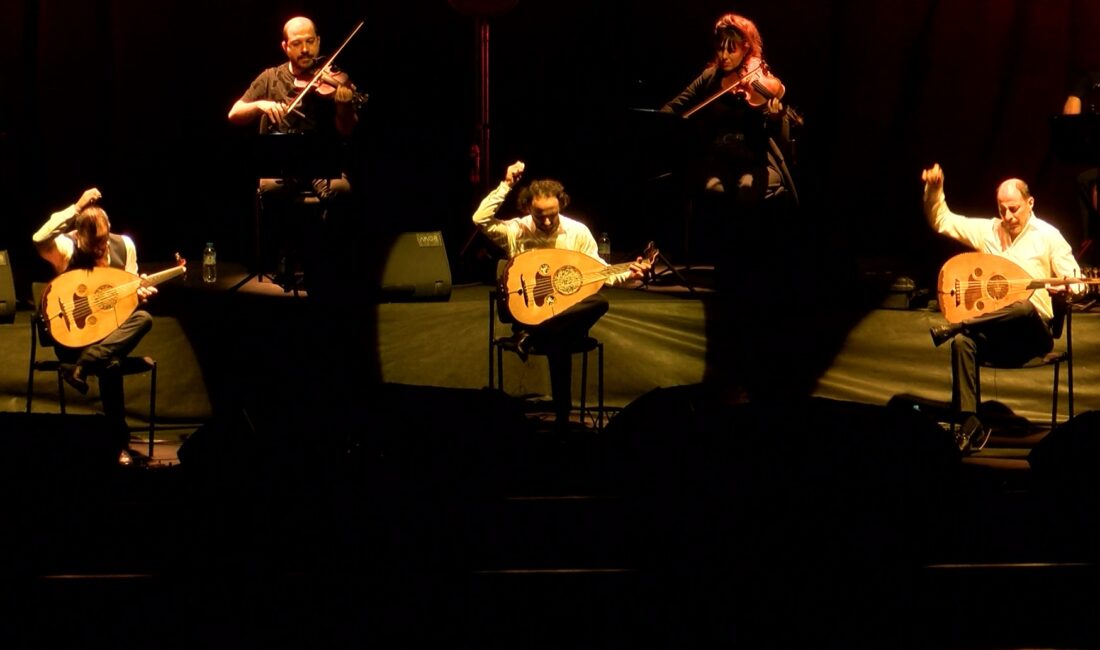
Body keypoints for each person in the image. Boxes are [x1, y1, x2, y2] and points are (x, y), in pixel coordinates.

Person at [473, 160, 649, 429]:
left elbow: (600, 272)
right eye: (539, 215)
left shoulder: (577, 232)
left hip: (564, 317)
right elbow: (480, 219)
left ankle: (534, 338)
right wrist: (506, 184)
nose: (545, 221)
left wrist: (631, 274)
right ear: (527, 208)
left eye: (552, 215)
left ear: (561, 206)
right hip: (527, 313)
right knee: (563, 341)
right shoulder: (516, 230)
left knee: (597, 302)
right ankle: (563, 419)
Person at [922, 163, 1083, 451]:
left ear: (1030, 203)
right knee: (961, 343)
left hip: (1033, 335)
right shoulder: (989, 232)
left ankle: (958, 325)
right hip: (997, 335)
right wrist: (935, 190)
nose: (1008, 216)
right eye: (1002, 209)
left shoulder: (1048, 236)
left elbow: (1079, 281)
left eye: (1014, 209)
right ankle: (970, 426)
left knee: (1022, 306)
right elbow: (942, 220)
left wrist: (1068, 286)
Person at [227, 15, 364, 291]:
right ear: (285, 47)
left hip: (320, 167)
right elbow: (234, 113)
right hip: (280, 167)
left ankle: (324, 261)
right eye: (297, 44)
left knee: (342, 190)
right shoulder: (270, 77)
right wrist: (261, 105)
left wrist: (345, 107)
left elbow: (346, 130)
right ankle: (287, 260)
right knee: (271, 192)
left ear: (319, 42)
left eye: (310, 42)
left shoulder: (333, 79)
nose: (305, 50)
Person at [659, 12, 796, 265]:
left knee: (745, 189)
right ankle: (723, 256)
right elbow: (677, 105)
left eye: (730, 50)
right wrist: (661, 119)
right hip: (718, 159)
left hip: (755, 159)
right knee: (713, 189)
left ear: (746, 48)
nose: (723, 56)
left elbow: (772, 134)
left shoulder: (758, 79)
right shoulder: (710, 77)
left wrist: (775, 117)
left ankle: (748, 260)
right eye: (720, 49)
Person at [32, 187, 157, 460]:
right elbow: (39, 237)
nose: (100, 252)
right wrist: (76, 208)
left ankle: (84, 365)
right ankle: (118, 441)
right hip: (73, 338)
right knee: (110, 364)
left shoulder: (125, 245)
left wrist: (139, 294)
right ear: (79, 237)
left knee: (144, 319)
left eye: (102, 246)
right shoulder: (65, 247)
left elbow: (126, 301)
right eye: (93, 248)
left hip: (108, 335)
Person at [1062, 70, 1100, 263]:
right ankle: (1090, 242)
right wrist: (1076, 95)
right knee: (1085, 180)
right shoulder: (1092, 77)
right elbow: (1070, 119)